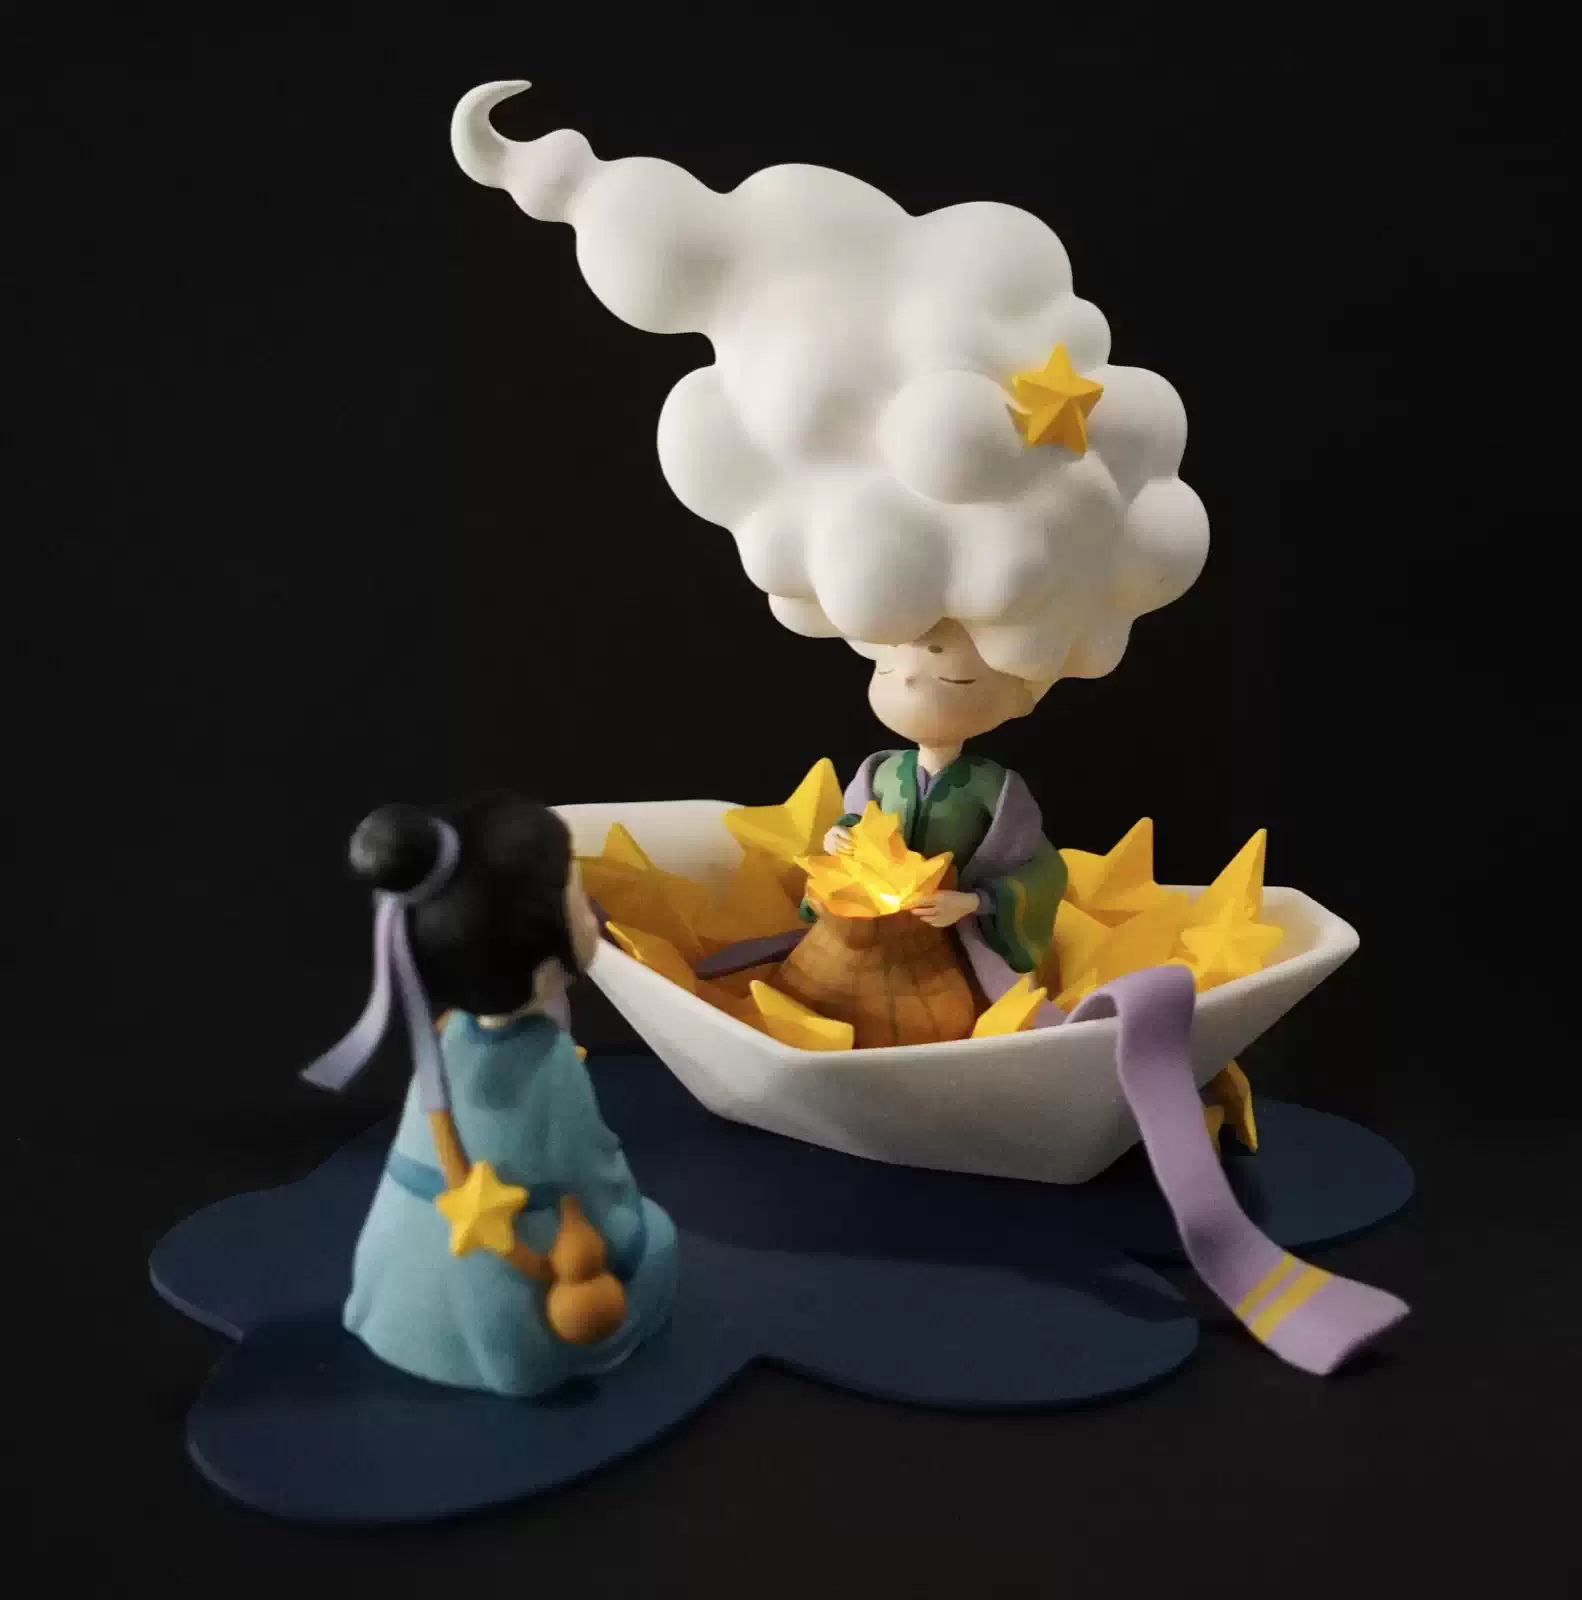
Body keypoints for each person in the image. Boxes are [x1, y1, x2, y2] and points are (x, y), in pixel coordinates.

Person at [302, 791, 679, 1398]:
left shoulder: (446, 1036)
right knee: (657, 1240)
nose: (593, 916)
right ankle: (536, 1356)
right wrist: (620, 1233)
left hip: (401, 1266)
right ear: (541, 964)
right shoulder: (548, 1062)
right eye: (579, 905)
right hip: (506, 1277)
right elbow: (592, 1171)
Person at [815, 619, 1067, 1001]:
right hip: (880, 918)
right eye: (887, 669)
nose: (908, 680)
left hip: (957, 931)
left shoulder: (993, 787)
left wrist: (974, 902)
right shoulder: (882, 772)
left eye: (955, 679)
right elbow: (859, 820)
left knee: (964, 998)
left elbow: (1042, 868)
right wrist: (841, 833)